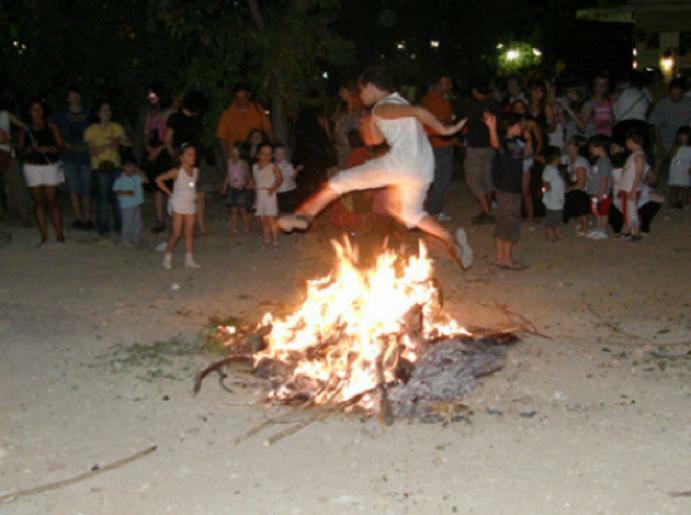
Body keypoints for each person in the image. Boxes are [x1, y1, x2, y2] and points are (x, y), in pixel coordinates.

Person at [278, 67, 472, 269]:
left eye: (361, 90)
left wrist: (446, 130)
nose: (360, 96)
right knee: (411, 214)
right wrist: (369, 126)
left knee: (340, 181)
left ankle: (305, 216)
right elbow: (375, 141)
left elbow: (419, 111)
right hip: (422, 167)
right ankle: (451, 241)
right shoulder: (396, 102)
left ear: (370, 87)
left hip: (402, 163)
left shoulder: (382, 107)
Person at [17, 99, 66, 245]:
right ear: (29, 112)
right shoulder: (25, 130)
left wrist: (49, 149)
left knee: (52, 200)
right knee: (38, 202)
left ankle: (59, 235)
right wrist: (30, 148)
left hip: (50, 165)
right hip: (32, 167)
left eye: (39, 109)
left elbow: (62, 148)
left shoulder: (52, 127)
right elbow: (19, 152)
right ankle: (44, 236)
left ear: (43, 111)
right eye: (33, 109)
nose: (36, 112)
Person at [486, 112, 529, 269]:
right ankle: (507, 259)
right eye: (519, 124)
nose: (522, 127)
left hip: (504, 187)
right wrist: (492, 128)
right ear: (511, 127)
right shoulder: (506, 142)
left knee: (502, 220)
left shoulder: (516, 142)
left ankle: (501, 257)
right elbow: (496, 145)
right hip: (509, 188)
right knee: (510, 221)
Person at [84, 101, 132, 237]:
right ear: (97, 113)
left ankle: (120, 227)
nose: (107, 112)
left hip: (115, 166)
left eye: (109, 110)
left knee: (118, 198)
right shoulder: (91, 130)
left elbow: (128, 143)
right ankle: (103, 228)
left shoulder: (116, 127)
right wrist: (110, 144)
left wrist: (120, 141)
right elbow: (92, 152)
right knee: (103, 199)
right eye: (104, 110)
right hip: (99, 167)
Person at [165, 91, 210, 235]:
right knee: (182, 193)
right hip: (181, 159)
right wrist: (175, 157)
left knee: (199, 192)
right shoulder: (175, 118)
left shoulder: (197, 119)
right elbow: (167, 140)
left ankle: (200, 225)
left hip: (196, 159)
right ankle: (180, 226)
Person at [459, 77, 500, 224]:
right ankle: (486, 209)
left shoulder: (474, 106)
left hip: (476, 148)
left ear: (475, 91)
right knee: (487, 179)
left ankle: (487, 212)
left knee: (475, 181)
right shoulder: (495, 104)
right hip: (491, 146)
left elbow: (466, 126)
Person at [53, 84, 93, 229]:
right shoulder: (61, 116)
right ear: (67, 98)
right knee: (73, 188)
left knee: (86, 188)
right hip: (69, 156)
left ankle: (88, 218)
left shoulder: (89, 113)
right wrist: (61, 143)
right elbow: (50, 127)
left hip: (86, 156)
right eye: (71, 94)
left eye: (76, 93)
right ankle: (78, 217)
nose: (74, 96)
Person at [157, 144, 201, 269]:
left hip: (190, 204)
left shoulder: (196, 171)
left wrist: (195, 196)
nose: (192, 157)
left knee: (189, 232)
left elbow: (191, 186)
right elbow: (159, 179)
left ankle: (189, 259)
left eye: (194, 154)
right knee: (176, 233)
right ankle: (167, 257)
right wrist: (169, 193)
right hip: (178, 204)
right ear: (181, 157)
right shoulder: (176, 171)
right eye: (189, 154)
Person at [139, 83, 174, 233]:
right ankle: (160, 220)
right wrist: (148, 147)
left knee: (168, 186)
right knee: (156, 187)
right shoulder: (151, 112)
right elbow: (146, 133)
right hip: (152, 151)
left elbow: (169, 137)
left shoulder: (171, 113)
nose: (150, 98)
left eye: (152, 94)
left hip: (165, 152)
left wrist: (158, 150)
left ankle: (174, 218)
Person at [421, 74, 456, 221]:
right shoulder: (438, 101)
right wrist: (451, 121)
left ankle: (434, 209)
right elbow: (439, 122)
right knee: (442, 179)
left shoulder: (427, 100)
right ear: (437, 84)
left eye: (449, 82)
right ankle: (433, 210)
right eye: (445, 83)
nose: (449, 86)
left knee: (435, 179)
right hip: (440, 144)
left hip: (432, 144)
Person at [216, 83, 273, 161]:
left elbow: (268, 130)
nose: (241, 101)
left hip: (256, 155)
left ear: (249, 95)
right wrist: (226, 158)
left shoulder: (257, 109)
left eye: (243, 97)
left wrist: (273, 149)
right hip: (236, 156)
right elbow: (222, 138)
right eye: (238, 97)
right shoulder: (228, 114)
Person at [648, 77, 691, 179]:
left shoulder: (688, 103)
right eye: (674, 94)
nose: (676, 97)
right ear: (669, 92)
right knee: (658, 160)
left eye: (679, 95)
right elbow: (655, 124)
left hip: (683, 139)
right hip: (665, 138)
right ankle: (653, 183)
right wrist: (658, 143)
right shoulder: (662, 104)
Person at [0, 91, 28, 222]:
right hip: (5, 148)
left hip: (7, 153)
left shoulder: (5, 114)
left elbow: (24, 127)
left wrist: (18, 142)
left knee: (17, 183)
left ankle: (23, 214)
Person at [618, 128, 647, 241]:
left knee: (632, 211)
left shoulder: (638, 156)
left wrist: (634, 190)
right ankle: (630, 230)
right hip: (627, 187)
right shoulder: (634, 155)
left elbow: (638, 174)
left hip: (631, 188)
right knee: (628, 210)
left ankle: (636, 232)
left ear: (631, 141)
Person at [112, 153, 147, 245]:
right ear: (123, 167)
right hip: (127, 205)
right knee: (127, 223)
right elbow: (116, 191)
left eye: (133, 167)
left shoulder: (136, 177)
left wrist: (140, 171)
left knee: (137, 222)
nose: (131, 169)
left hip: (136, 204)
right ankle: (125, 240)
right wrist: (126, 193)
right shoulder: (120, 180)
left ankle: (135, 238)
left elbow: (146, 180)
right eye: (129, 167)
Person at [253, 143, 283, 247]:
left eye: (269, 154)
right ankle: (266, 239)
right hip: (260, 194)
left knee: (270, 217)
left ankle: (276, 240)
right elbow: (256, 183)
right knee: (263, 218)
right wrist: (255, 200)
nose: (266, 157)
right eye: (263, 154)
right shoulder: (255, 167)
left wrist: (273, 187)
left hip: (269, 194)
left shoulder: (272, 166)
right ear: (258, 155)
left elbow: (280, 178)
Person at [221, 141, 252, 234]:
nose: (233, 153)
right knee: (233, 210)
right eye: (232, 151)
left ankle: (247, 228)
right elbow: (228, 174)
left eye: (236, 151)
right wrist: (224, 186)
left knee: (242, 210)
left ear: (240, 152)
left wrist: (248, 183)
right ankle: (234, 228)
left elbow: (248, 175)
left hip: (241, 188)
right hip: (232, 188)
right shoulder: (229, 162)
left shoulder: (243, 163)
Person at [586, 135, 613, 239]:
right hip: (595, 191)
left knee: (603, 212)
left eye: (592, 147)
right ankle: (598, 228)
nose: (591, 150)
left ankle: (602, 230)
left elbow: (604, 178)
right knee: (597, 211)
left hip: (601, 192)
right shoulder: (600, 160)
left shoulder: (604, 161)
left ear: (600, 147)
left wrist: (601, 193)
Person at [563, 135, 591, 234]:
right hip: (575, 187)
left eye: (569, 143)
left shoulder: (580, 162)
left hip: (583, 191)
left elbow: (581, 185)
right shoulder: (568, 159)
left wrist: (566, 190)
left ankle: (585, 223)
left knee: (576, 195)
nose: (566, 145)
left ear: (576, 147)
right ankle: (580, 219)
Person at [540, 145, 565, 242]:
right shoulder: (549, 169)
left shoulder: (555, 168)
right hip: (552, 199)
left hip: (558, 197)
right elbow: (545, 182)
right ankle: (549, 233)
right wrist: (547, 190)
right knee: (552, 218)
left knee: (558, 217)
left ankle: (557, 231)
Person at [274, 144, 302, 213]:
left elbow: (293, 177)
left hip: (290, 189)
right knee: (283, 208)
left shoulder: (288, 165)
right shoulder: (272, 166)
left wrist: (296, 170)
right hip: (280, 191)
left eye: (282, 154)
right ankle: (285, 221)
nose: (281, 156)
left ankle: (293, 220)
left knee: (292, 207)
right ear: (274, 155)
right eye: (278, 154)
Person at [668, 126, 691, 209]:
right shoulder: (676, 146)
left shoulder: (689, 148)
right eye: (680, 136)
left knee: (685, 187)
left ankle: (685, 202)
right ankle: (672, 203)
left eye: (684, 137)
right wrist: (677, 148)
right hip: (675, 170)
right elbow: (671, 155)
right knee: (674, 187)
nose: (682, 138)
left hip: (685, 169)